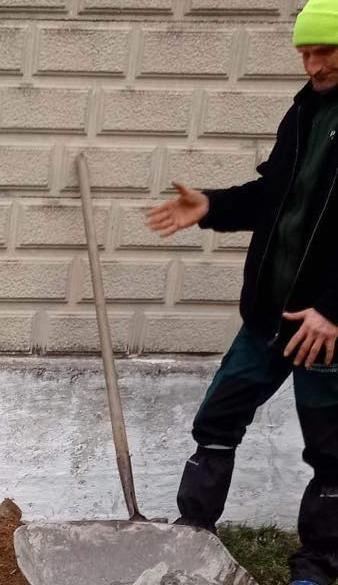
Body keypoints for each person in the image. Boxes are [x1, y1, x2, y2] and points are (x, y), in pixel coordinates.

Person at [146, 1, 338, 582]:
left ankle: (317, 569)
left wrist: (333, 310)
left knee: (331, 456)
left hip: (323, 329)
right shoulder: (305, 111)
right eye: (303, 51)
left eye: (323, 50)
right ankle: (192, 537)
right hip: (268, 316)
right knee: (218, 420)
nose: (310, 63)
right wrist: (211, 207)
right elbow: (271, 195)